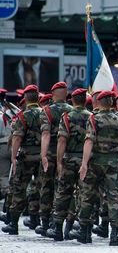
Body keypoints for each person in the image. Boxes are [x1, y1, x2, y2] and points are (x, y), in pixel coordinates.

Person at [70, 90, 118, 246]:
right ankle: (114, 234)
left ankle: (84, 232)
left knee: (88, 195)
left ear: (99, 102)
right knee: (113, 197)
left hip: (95, 162)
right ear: (112, 103)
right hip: (113, 162)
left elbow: (89, 141)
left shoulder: (94, 119)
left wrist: (84, 164)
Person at [47, 88, 91, 241]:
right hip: (86, 160)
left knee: (63, 193)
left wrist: (59, 162)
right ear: (85, 100)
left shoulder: (67, 117)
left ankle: (58, 229)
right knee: (84, 195)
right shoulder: (92, 117)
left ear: (72, 100)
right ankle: (81, 230)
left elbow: (62, 140)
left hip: (69, 159)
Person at [1, 85, 42, 235]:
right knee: (40, 187)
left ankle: (13, 223)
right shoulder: (45, 113)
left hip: (26, 156)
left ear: (25, 98)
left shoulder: (22, 115)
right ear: (38, 98)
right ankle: (38, 219)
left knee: (19, 189)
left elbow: (17, 137)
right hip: (42, 156)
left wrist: (13, 156)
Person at [37, 82, 73, 236]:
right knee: (66, 189)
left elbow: (45, 134)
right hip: (68, 155)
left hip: (51, 152)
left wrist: (44, 155)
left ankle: (46, 223)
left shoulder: (47, 111)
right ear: (66, 94)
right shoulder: (72, 111)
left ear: (52, 94)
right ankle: (65, 225)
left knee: (47, 187)